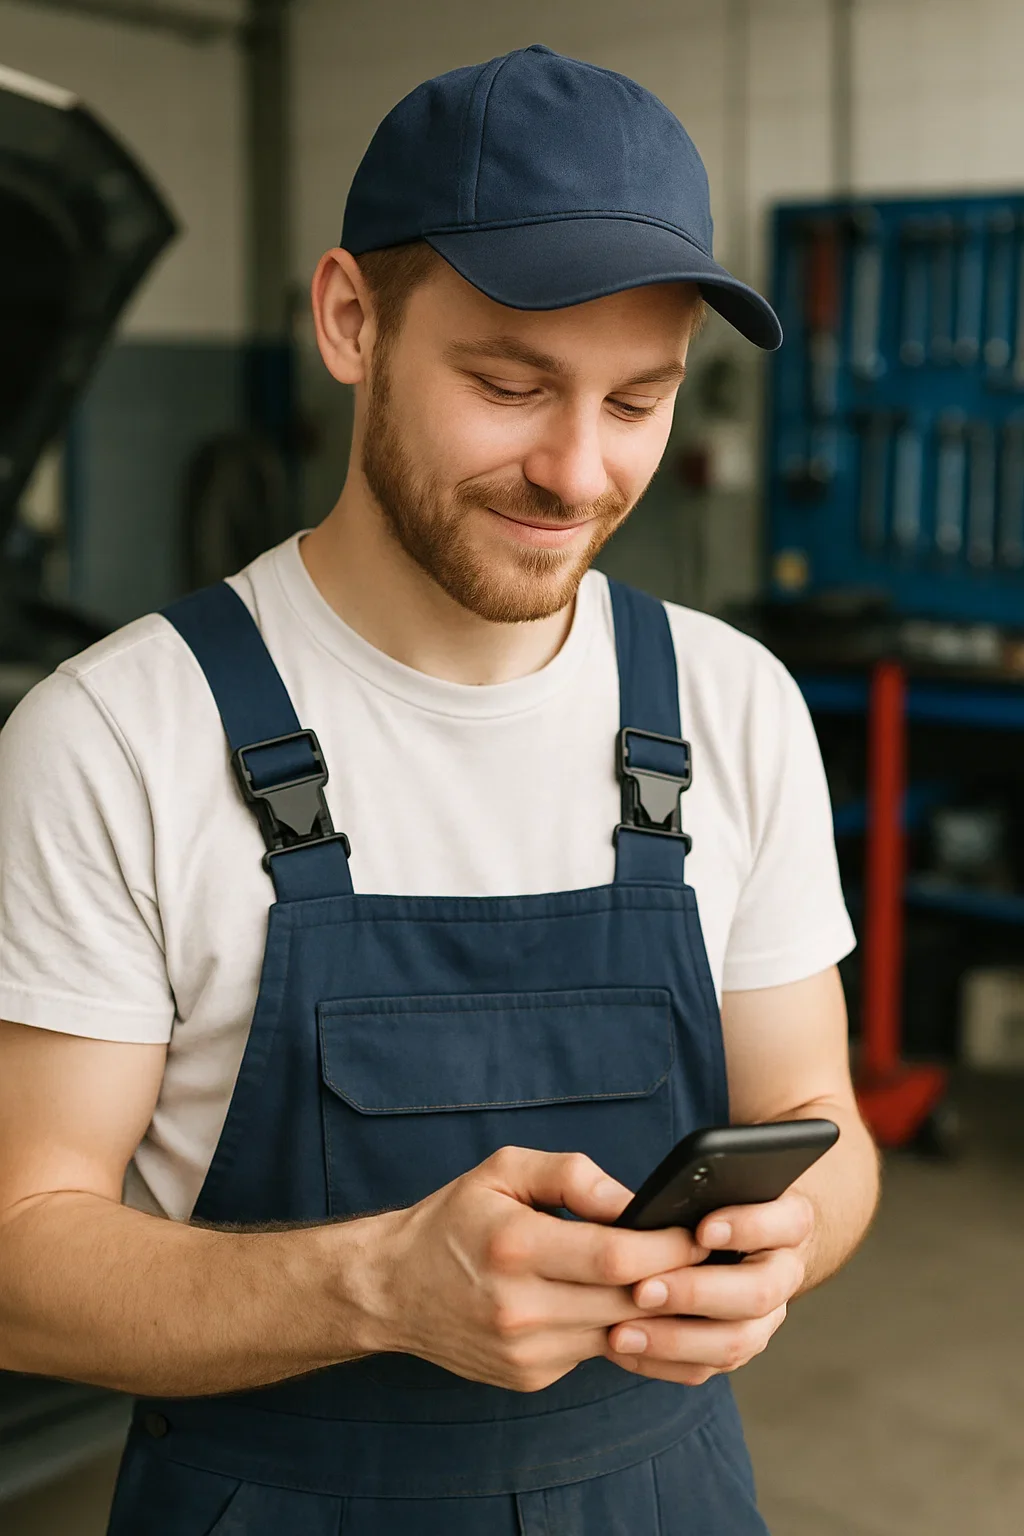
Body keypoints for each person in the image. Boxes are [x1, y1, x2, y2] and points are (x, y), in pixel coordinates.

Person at [0, 44, 878, 1535]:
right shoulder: (115, 737)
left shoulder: (733, 707)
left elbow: (822, 1121)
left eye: (638, 402)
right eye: (510, 384)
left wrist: (786, 1241)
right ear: (351, 320)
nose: (578, 472)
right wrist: (378, 1288)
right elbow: (18, 1263)